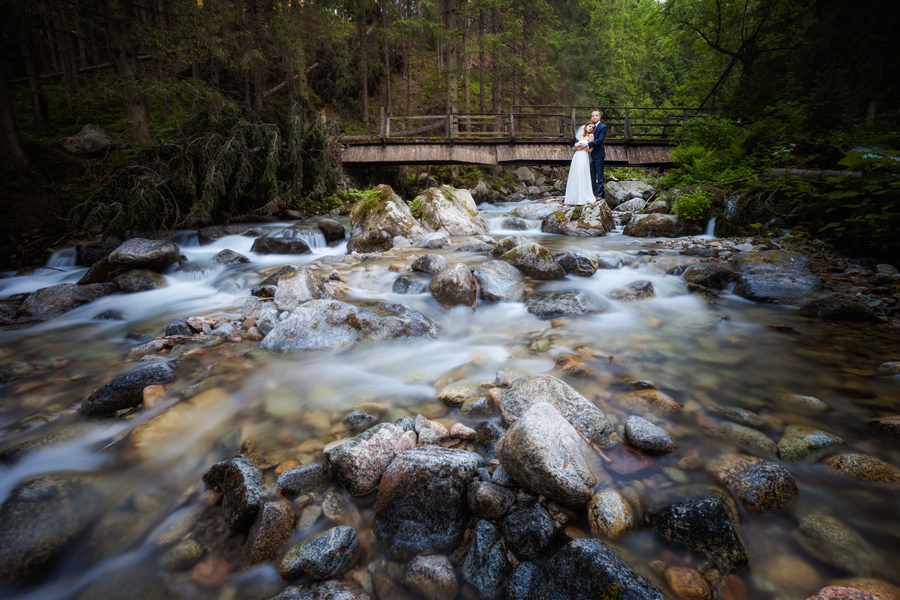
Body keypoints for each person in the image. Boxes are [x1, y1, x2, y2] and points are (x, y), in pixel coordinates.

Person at [575, 110, 607, 199]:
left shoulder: (602, 127)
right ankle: (591, 193)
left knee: (599, 174)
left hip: (598, 154)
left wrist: (587, 144)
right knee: (591, 175)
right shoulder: (588, 126)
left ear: (599, 117)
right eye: (593, 116)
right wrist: (577, 145)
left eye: (596, 115)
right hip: (587, 155)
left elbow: (600, 140)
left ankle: (599, 194)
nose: (594, 117)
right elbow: (580, 137)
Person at [564, 122, 596, 206]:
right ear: (586, 126)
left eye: (592, 128)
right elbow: (575, 148)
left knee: (582, 173)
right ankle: (573, 198)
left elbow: (590, 149)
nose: (590, 128)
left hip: (584, 156)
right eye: (589, 126)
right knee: (575, 174)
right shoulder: (581, 135)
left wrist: (584, 146)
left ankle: (582, 198)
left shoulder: (591, 136)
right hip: (577, 156)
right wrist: (577, 146)